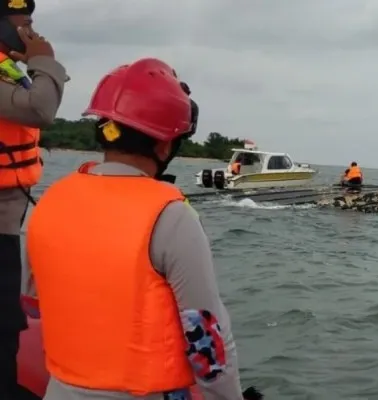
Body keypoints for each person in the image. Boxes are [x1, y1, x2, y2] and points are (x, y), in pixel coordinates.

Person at [23, 59, 260, 400]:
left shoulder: (49, 201)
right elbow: (208, 341)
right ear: (165, 145)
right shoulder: (172, 217)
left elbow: (32, 299)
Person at [0, 0, 66, 397]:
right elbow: (40, 108)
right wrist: (45, 62)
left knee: (7, 323)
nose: (28, 24)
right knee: (4, 327)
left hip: (8, 220)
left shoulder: (7, 68)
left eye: (31, 18)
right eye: (18, 18)